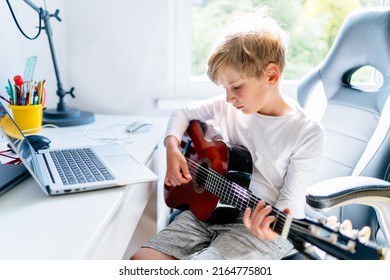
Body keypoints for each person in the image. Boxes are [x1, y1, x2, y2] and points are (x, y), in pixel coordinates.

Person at [131, 8, 324, 260]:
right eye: (224, 87)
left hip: (256, 228)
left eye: (235, 86)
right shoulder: (229, 106)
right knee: (141, 261)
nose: (228, 97)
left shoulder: (305, 131)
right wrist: (171, 147)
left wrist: (272, 230)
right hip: (210, 210)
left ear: (271, 75)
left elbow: (291, 204)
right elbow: (182, 113)